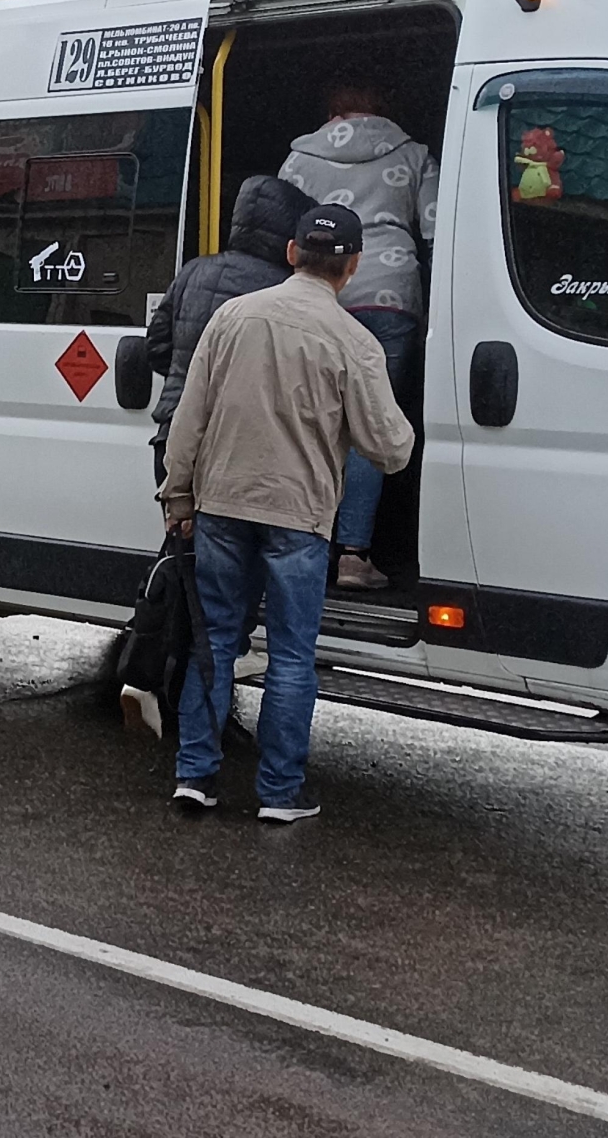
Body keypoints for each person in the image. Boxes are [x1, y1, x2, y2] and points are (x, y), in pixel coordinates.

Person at [158, 204, 415, 822]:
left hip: (221, 505)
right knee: (293, 656)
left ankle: (194, 777)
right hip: (299, 518)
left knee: (217, 639)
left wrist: (179, 495)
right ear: (351, 267)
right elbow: (390, 450)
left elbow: (188, 419)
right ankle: (278, 794)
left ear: (292, 253)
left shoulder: (232, 318)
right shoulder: (356, 342)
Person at [277, 85, 438, 590]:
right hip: (390, 297)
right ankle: (353, 553)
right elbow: (436, 230)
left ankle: (306, 546)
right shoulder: (413, 154)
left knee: (313, 421)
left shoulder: (300, 158)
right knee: (373, 425)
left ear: (332, 113)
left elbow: (281, 229)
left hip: (319, 295)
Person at [144, 175, 313, 484]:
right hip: (246, 449)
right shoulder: (288, 289)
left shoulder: (193, 271)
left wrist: (188, 376)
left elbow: (156, 349)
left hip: (174, 435)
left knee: (178, 529)